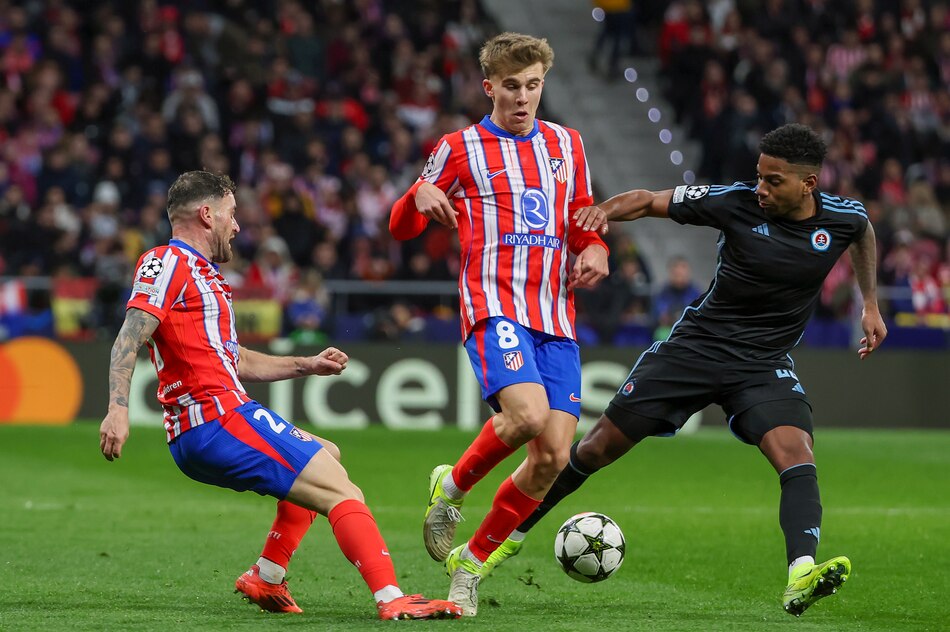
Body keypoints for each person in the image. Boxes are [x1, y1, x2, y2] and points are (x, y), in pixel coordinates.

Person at [483, 123, 888, 617]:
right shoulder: (733, 202)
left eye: (774, 181)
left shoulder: (842, 218)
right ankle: (504, 540)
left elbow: (863, 231)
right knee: (593, 450)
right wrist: (598, 215)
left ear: (809, 183)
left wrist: (870, 303)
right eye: (759, 176)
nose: (760, 188)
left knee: (797, 456)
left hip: (762, 365)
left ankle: (800, 571)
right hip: (692, 352)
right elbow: (649, 200)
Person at [98, 170, 462, 621]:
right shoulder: (166, 262)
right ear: (206, 215)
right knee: (342, 491)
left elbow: (238, 361)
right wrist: (117, 409)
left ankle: (267, 576)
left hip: (214, 423)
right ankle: (392, 598)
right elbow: (129, 337)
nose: (237, 226)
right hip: (216, 421)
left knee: (327, 452)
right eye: (231, 215)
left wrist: (307, 364)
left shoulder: (204, 277)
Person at [389, 32, 610, 616]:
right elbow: (400, 227)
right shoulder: (459, 146)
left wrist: (595, 250)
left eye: (533, 85)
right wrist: (421, 193)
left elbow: (582, 219)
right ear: (489, 88)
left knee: (553, 458)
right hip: (493, 304)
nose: (523, 97)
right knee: (527, 415)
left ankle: (470, 564)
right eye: (511, 86)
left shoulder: (568, 143)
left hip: (554, 316)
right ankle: (454, 488)